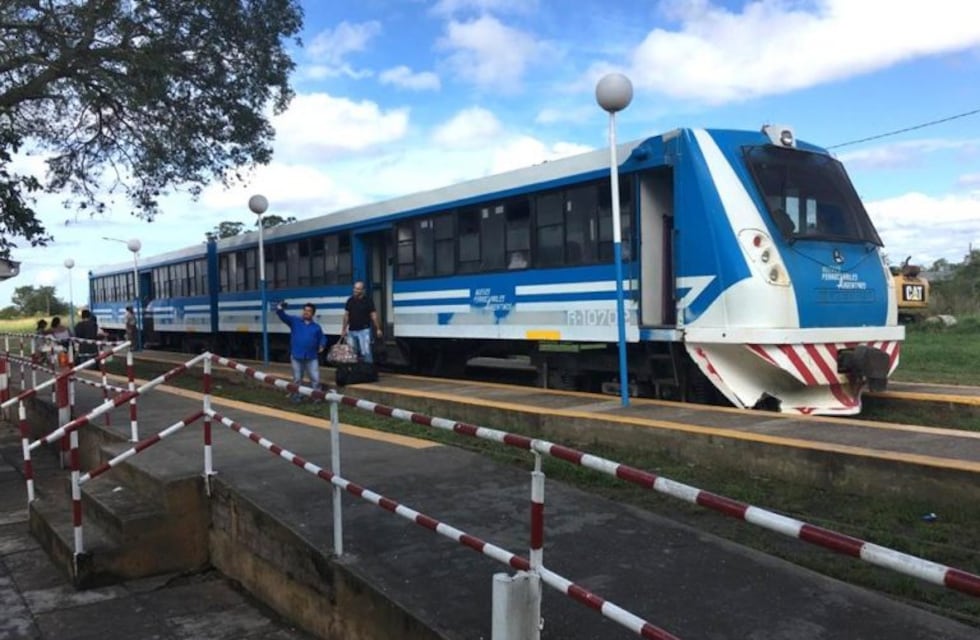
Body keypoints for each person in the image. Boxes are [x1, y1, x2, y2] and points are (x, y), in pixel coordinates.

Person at [276, 301, 326, 402]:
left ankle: (316, 397)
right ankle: (296, 397)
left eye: (309, 311)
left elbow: (322, 337)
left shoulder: (316, 327)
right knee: (297, 378)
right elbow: (283, 316)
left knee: (315, 379)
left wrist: (322, 345)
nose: (306, 312)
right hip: (296, 356)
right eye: (305, 310)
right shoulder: (295, 321)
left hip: (311, 357)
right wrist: (280, 308)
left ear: (313, 314)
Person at [341, 281, 382, 363]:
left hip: (364, 330)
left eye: (358, 289)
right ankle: (354, 372)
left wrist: (378, 328)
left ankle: (368, 371)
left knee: (366, 353)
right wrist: (343, 329)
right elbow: (346, 316)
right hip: (352, 331)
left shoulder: (368, 301)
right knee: (352, 354)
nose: (355, 290)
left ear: (363, 290)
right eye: (355, 288)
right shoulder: (350, 300)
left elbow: (373, 315)